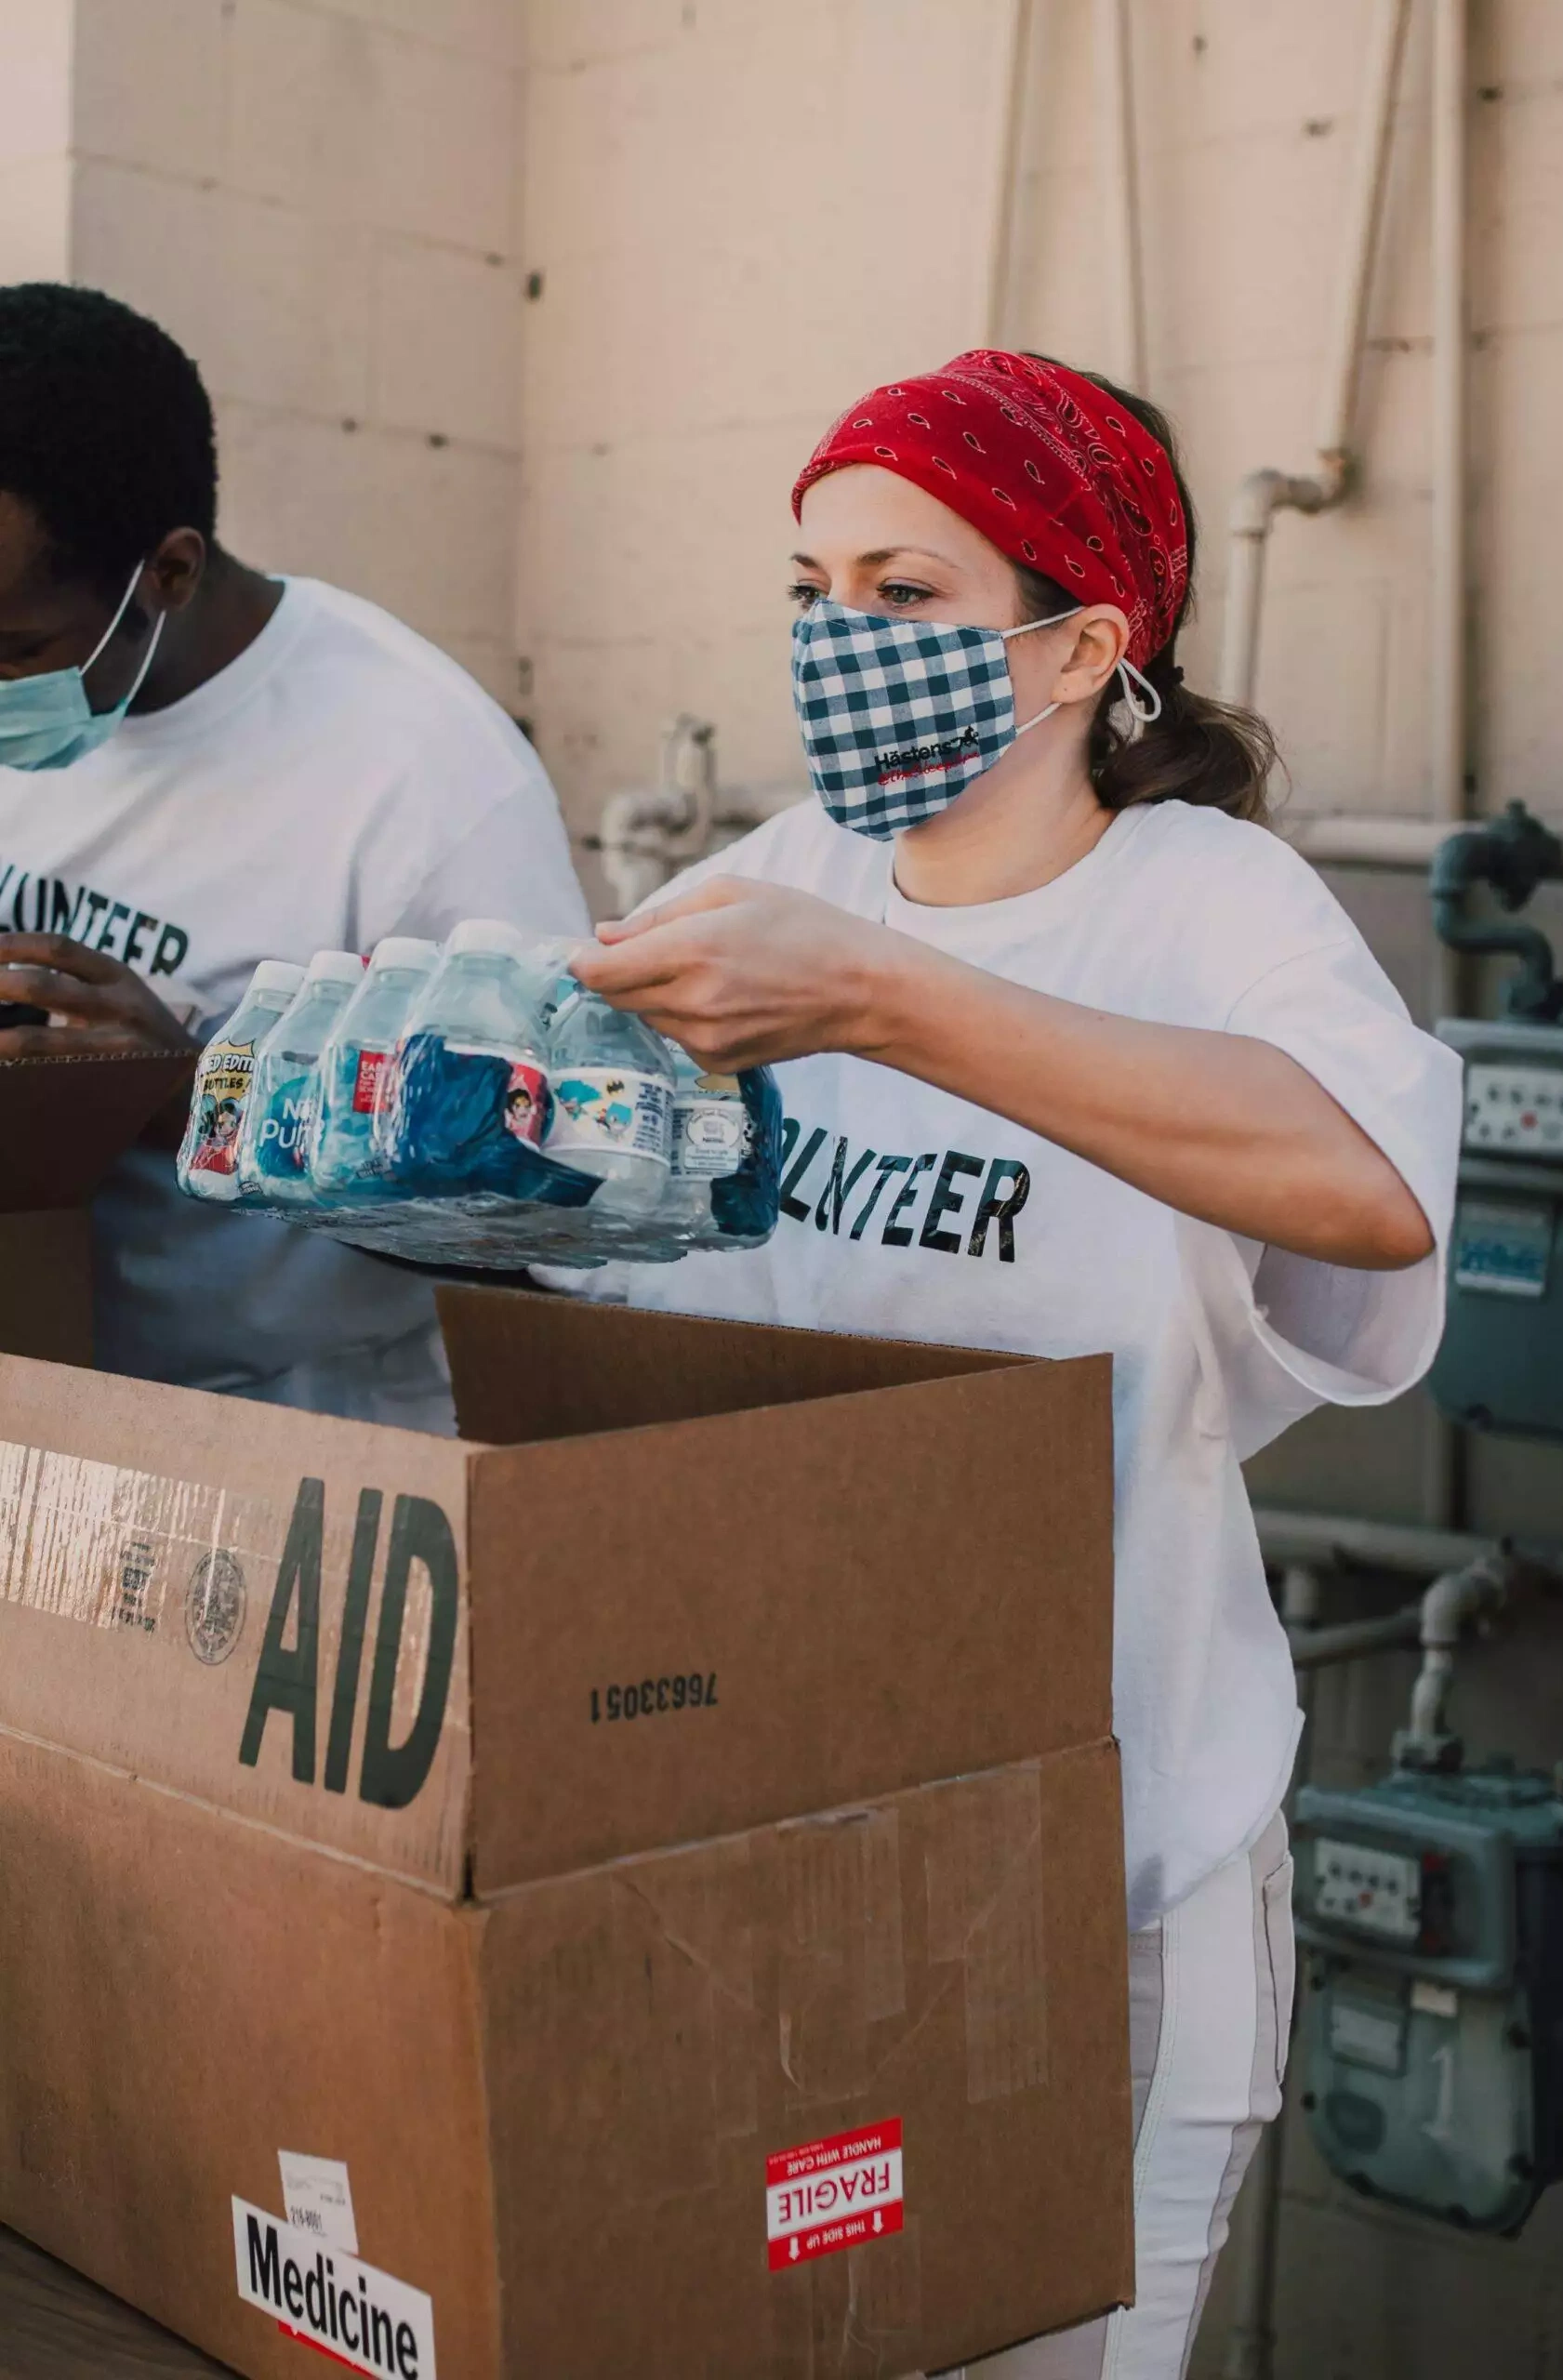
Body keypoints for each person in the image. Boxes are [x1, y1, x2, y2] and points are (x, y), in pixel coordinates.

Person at [565, 350, 1463, 2377]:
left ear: (1078, 643)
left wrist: (890, 997)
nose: (833, 643)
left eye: (903, 597)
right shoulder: (767, 881)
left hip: (1112, 1876)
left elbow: (1363, 1184)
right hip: (792, 1842)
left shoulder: (1205, 905)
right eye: (810, 590)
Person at [0, 284, 588, 1431]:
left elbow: (545, 1215)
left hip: (303, 1446)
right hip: (48, 1400)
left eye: (16, 647)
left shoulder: (426, 780)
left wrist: (198, 1095)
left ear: (166, 574)